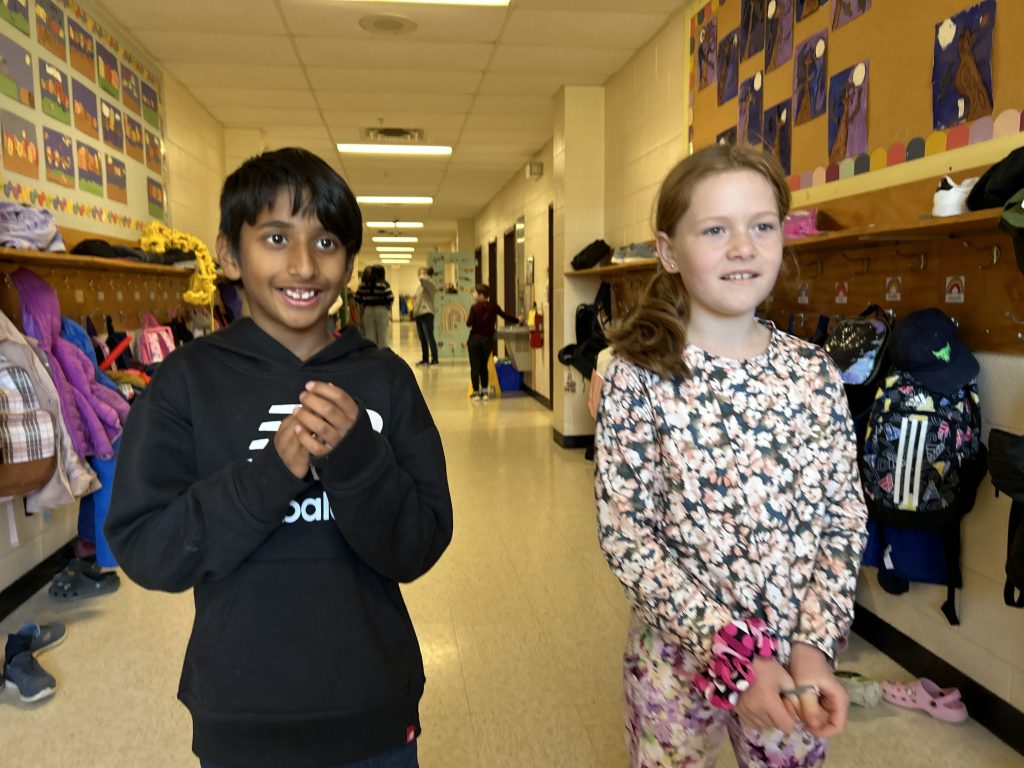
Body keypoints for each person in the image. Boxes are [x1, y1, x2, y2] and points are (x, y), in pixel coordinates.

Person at [104, 147, 453, 768]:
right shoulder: (188, 381)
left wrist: (358, 463)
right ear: (231, 255)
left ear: (348, 262)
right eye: (275, 237)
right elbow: (146, 546)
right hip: (241, 715)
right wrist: (270, 474)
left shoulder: (386, 380)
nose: (303, 264)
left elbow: (420, 543)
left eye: (326, 243)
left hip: (373, 710)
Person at [594, 143, 868, 768]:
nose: (743, 247)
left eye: (761, 226)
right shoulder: (638, 378)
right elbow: (627, 537)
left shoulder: (812, 372)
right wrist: (734, 656)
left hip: (796, 658)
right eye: (716, 229)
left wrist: (815, 646)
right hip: (677, 657)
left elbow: (843, 515)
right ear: (668, 251)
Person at [465, 283, 517, 401]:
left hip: (474, 340)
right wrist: (519, 320)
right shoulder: (493, 306)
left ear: (481, 295)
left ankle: (476, 392)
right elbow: (505, 316)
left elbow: (468, 323)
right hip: (487, 341)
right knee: (484, 366)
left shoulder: (474, 308)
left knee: (475, 367)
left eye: (475, 293)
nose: (474, 295)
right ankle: (485, 391)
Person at [355, 264, 394, 348]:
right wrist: (386, 306)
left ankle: (372, 356)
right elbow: (390, 298)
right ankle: (382, 356)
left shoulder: (364, 285)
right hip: (381, 310)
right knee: (383, 336)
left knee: (370, 336)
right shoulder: (384, 284)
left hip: (368, 310)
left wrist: (365, 303)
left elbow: (357, 298)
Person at [411, 266, 439, 365]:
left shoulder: (430, 284)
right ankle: (425, 359)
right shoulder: (420, 287)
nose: (420, 275)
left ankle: (435, 359)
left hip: (427, 313)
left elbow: (424, 279)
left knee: (429, 337)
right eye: (419, 273)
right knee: (422, 338)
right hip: (419, 314)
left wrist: (424, 274)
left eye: (422, 272)